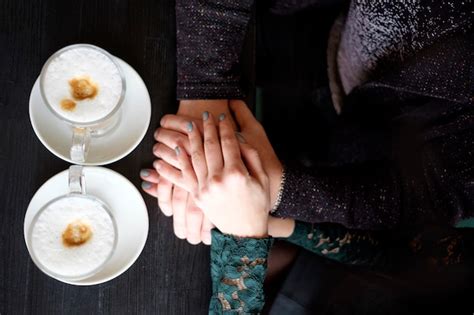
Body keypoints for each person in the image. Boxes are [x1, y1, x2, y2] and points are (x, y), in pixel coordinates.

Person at [140, 0, 474, 312]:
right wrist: (277, 203)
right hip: (326, 68)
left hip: (353, 208)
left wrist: (244, 243)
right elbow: (421, 254)